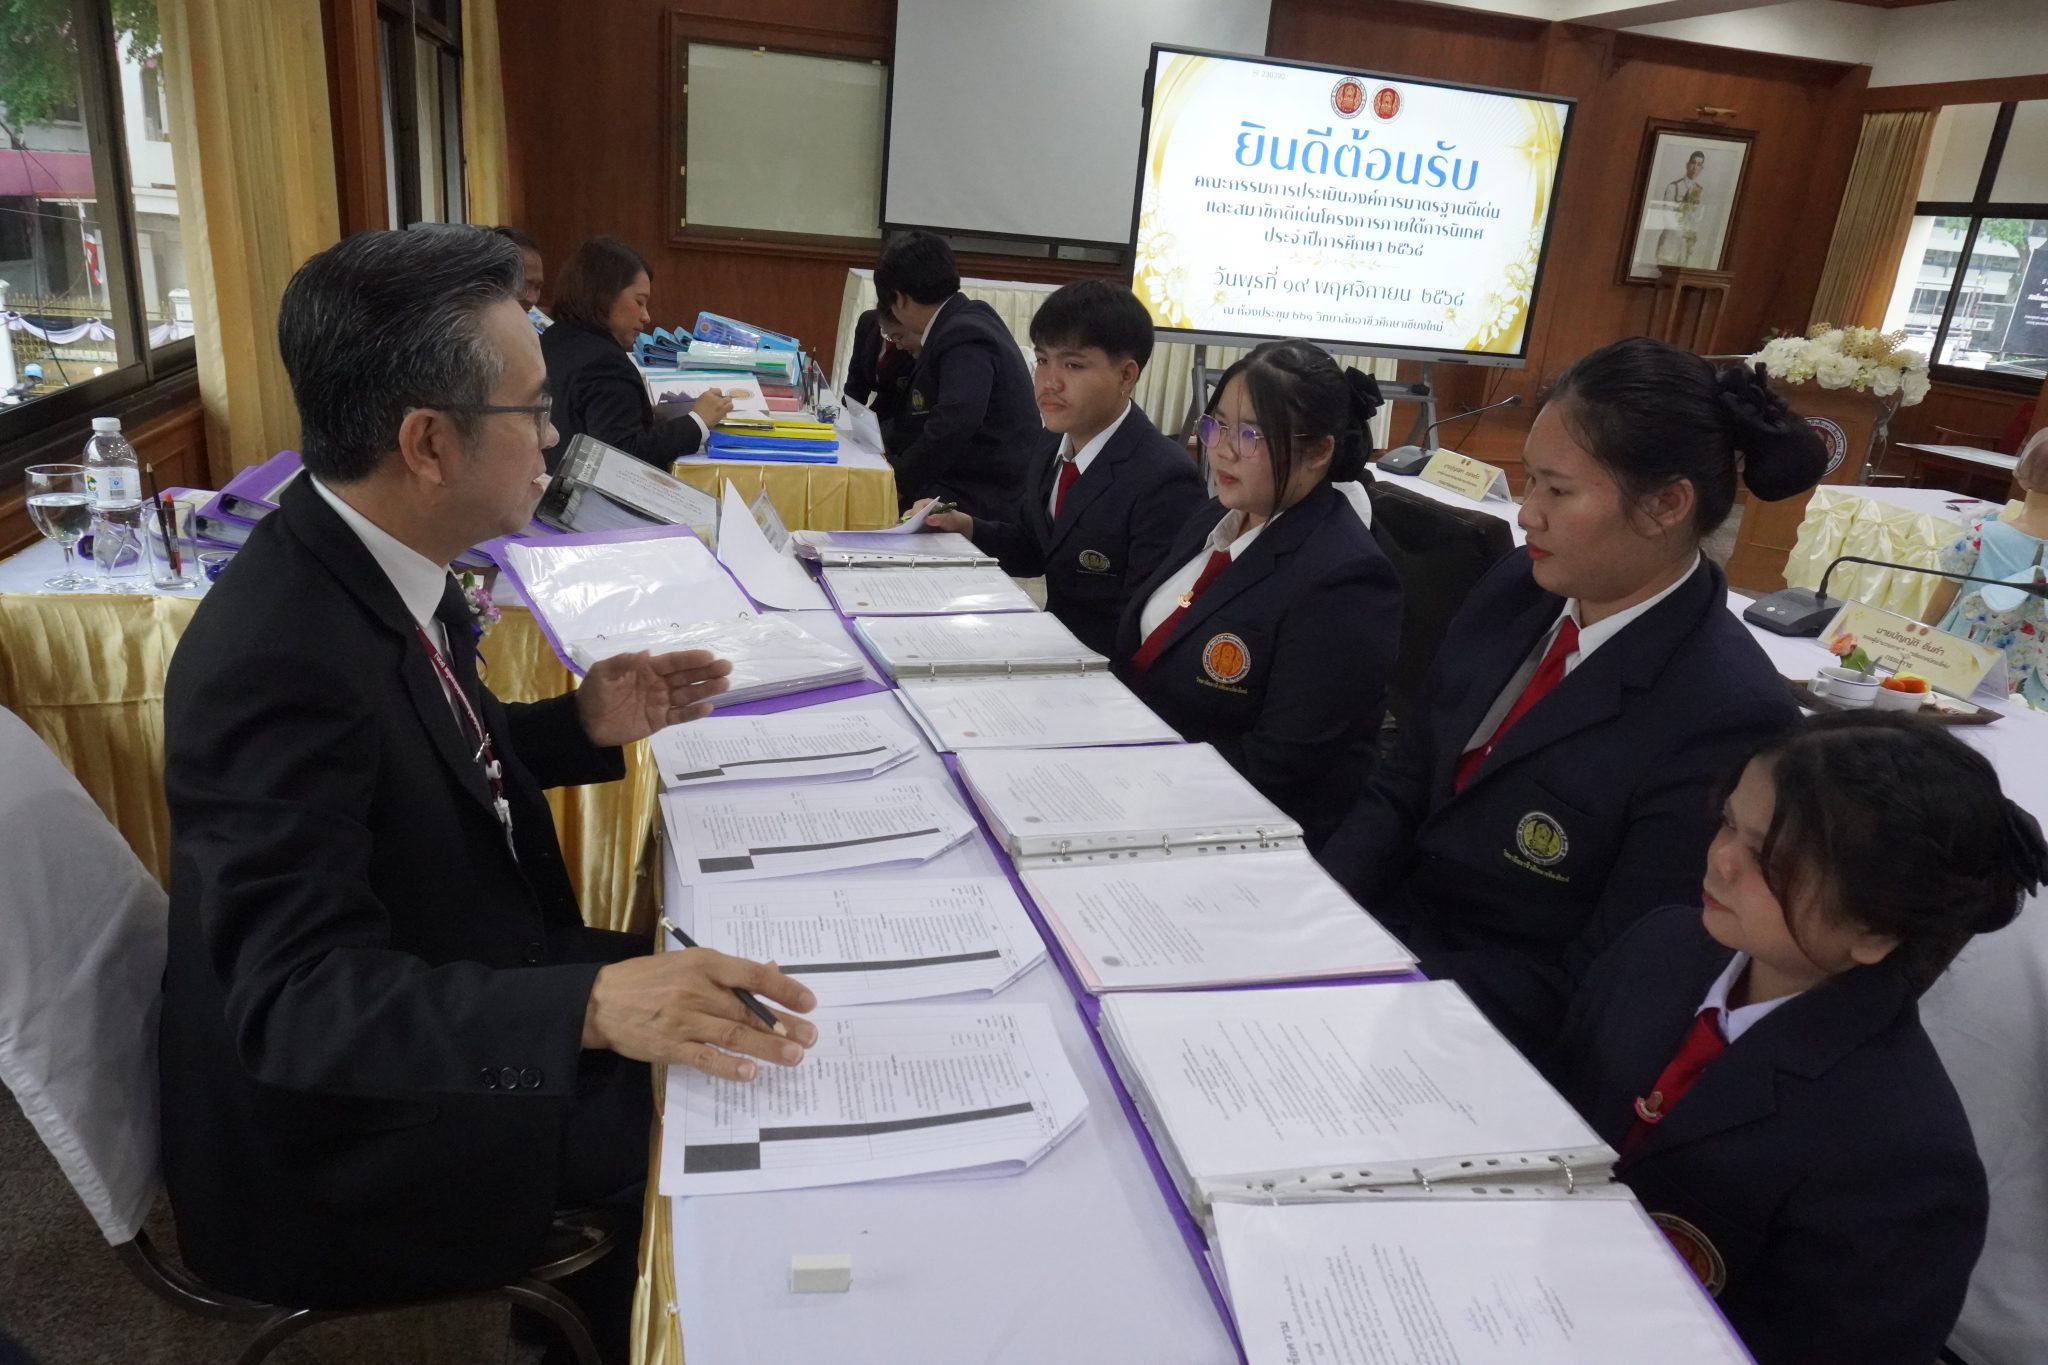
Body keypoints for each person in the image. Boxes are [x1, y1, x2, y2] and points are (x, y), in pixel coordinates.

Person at [157, 227, 818, 1363]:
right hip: (337, 1140)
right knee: (734, 1103)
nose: (553, 439)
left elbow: (409, 764)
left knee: (740, 989)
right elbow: (297, 1002)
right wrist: (589, 1008)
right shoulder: (275, 657)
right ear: (427, 442)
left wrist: (576, 725)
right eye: (533, 411)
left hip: (457, 965)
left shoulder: (372, 557)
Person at [1316, 337, 1824, 1054]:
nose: (1528, 513)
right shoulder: (1518, 588)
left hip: (1480, 1028)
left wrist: (1377, 984)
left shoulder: (1724, 714)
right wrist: (1317, 910)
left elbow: (1605, 978)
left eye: (1557, 491)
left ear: (1666, 505)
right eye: (1529, 481)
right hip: (1375, 945)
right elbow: (1406, 778)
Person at [1543, 712, 2047, 1365]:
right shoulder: (1660, 947)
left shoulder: (1902, 1161)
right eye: (1728, 822)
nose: (1721, 858)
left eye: (1767, 858)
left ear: (1875, 929)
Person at [1114, 340, 1401, 848]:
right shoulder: (1219, 514)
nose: (1221, 449)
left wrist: (1134, 777)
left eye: (1250, 435)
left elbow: (1281, 766)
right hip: (1140, 773)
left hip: (1229, 828)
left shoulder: (1345, 579)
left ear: (1318, 452)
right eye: (1218, 425)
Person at [917, 281, 1204, 656]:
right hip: (1051, 647)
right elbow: (1035, 548)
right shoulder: (1052, 442)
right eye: (1042, 360)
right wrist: (965, 526)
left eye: (1073, 365)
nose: (1049, 382)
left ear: (1126, 376)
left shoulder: (1165, 478)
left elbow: (1148, 627)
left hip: (1102, 670)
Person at [873, 231, 1038, 519]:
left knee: (864, 509)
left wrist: (898, 482)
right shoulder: (965, 318)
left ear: (899, 299)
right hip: (969, 478)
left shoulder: (963, 333)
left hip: (985, 493)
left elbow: (953, 424)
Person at [539, 234, 732, 472]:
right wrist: (697, 422)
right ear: (604, 296)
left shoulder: (551, 338)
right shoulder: (605, 363)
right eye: (639, 302)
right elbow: (623, 458)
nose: (646, 317)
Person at [1923, 427, 2048, 709]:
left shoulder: (1983, 535)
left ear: (2021, 471)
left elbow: (1943, 594)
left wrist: (1918, 638)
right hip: (2038, 665)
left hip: (1968, 651)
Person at [492, 224, 548, 328]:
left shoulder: (538, 322)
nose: (532, 299)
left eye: (537, 287)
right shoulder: (467, 329)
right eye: (523, 285)